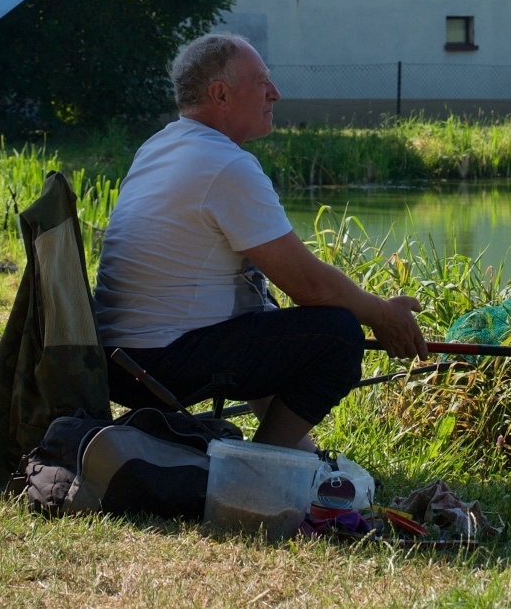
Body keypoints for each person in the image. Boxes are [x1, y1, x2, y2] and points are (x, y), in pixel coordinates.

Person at [94, 33, 427, 450]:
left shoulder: (161, 145)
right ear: (221, 94)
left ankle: (291, 456)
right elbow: (310, 286)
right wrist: (380, 313)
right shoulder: (226, 166)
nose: (276, 93)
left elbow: (258, 315)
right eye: (262, 82)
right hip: (158, 361)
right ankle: (262, 469)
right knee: (338, 335)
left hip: (119, 360)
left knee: (274, 323)